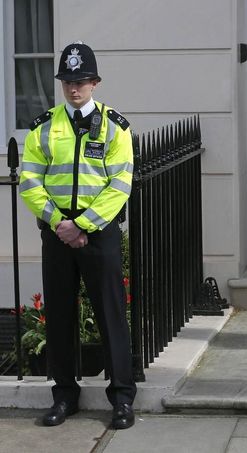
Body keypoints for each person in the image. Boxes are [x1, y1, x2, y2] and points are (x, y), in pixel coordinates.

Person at [19, 42, 136, 429]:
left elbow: (120, 183)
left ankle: (121, 398)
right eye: (68, 81)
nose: (74, 88)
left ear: (95, 83)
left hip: (97, 233)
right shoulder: (44, 127)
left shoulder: (115, 127)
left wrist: (83, 224)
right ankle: (64, 395)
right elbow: (29, 181)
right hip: (57, 233)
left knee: (111, 314)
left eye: (82, 81)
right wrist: (59, 224)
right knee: (60, 314)